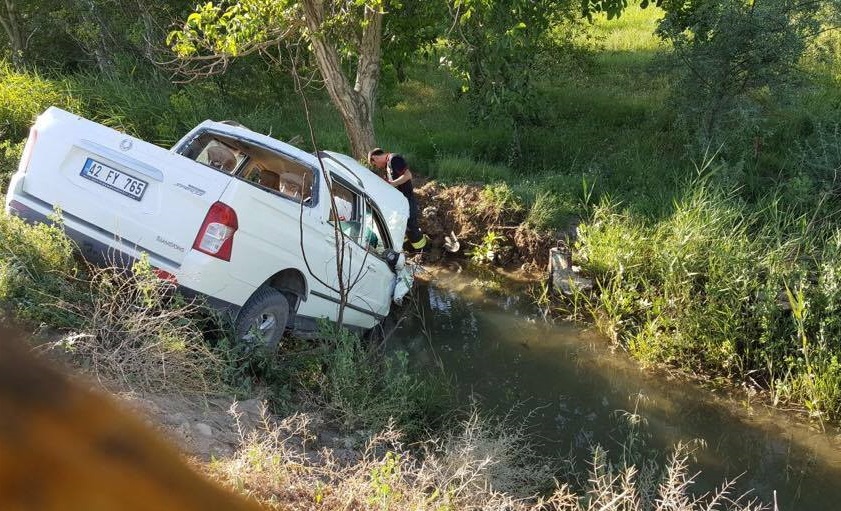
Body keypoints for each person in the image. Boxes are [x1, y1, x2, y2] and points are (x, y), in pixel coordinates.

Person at [367, 148, 428, 251]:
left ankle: (423, 250)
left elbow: (408, 175)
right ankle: (409, 248)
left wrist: (392, 184)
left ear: (375, 158)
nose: (377, 166)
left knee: (410, 226)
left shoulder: (394, 159)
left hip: (407, 200)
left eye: (375, 164)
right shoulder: (388, 165)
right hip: (400, 201)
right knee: (401, 225)